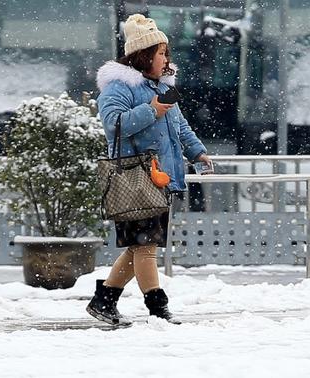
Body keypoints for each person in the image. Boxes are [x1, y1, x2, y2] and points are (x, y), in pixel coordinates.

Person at [86, 14, 211, 326]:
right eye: (160, 54)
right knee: (146, 248)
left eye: (166, 53)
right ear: (143, 56)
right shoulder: (119, 87)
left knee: (140, 246)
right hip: (134, 176)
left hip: (159, 178)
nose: (166, 59)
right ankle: (158, 309)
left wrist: (198, 153)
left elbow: (180, 126)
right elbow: (113, 125)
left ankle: (104, 301)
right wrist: (151, 110)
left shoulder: (163, 86)